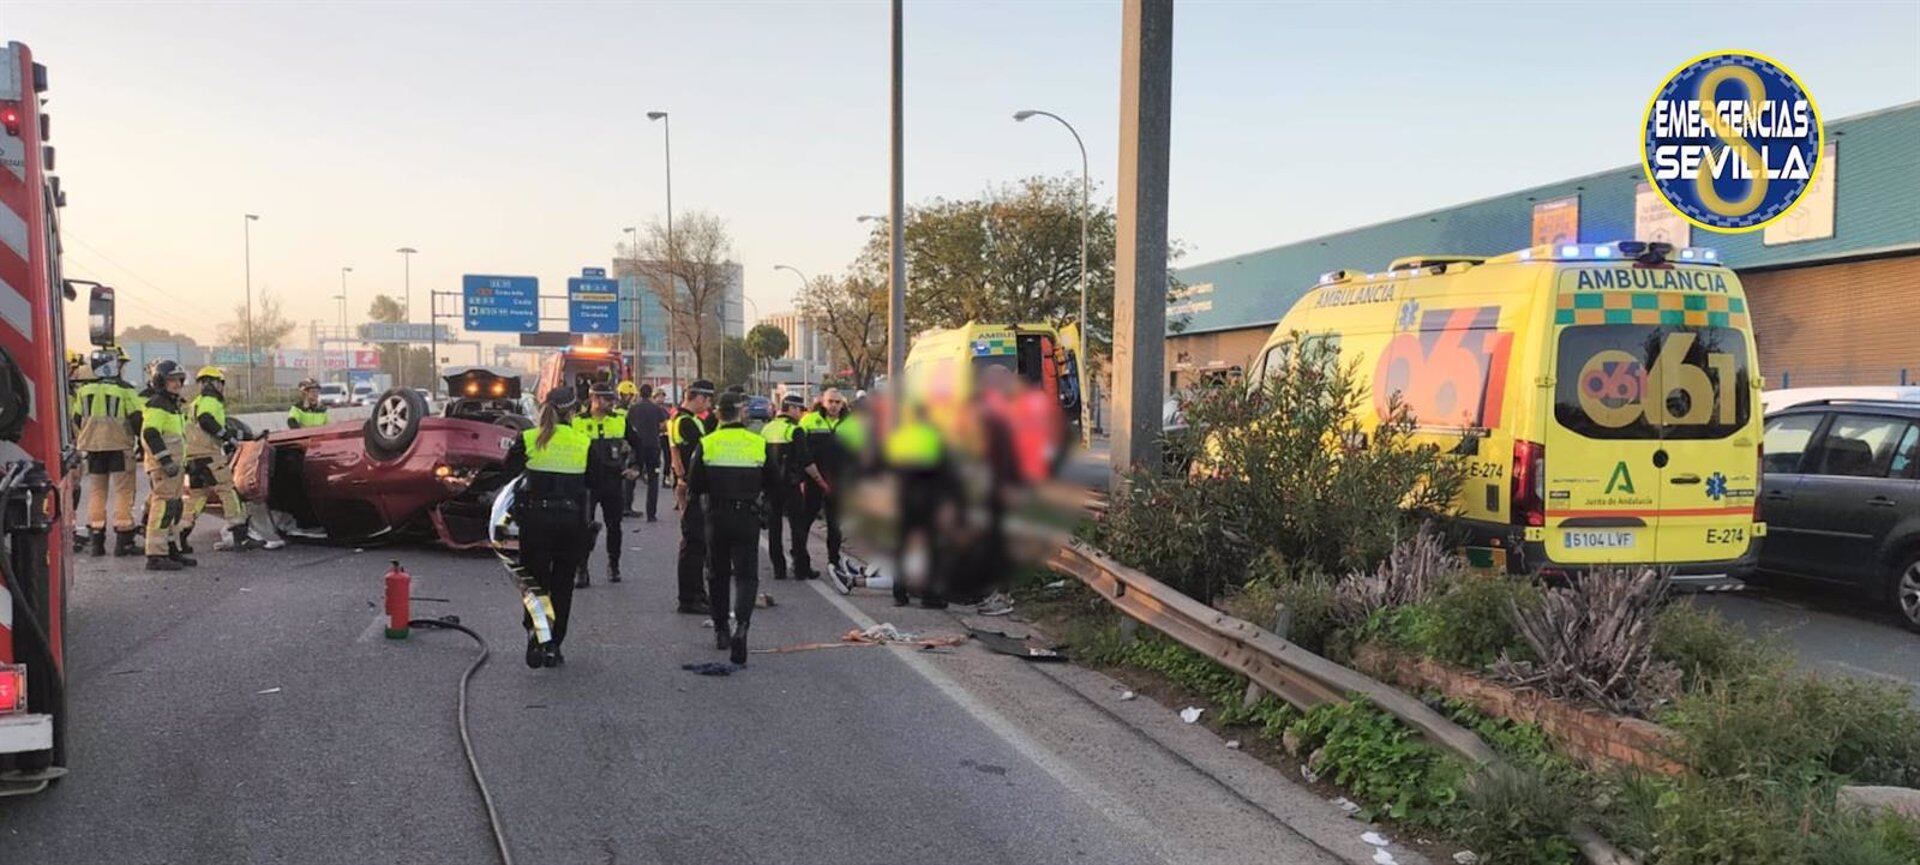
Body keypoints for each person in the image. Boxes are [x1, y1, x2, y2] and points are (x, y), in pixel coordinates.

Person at [501, 386, 593, 668]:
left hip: (536, 521)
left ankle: (536, 634)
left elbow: (507, 476)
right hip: (571, 522)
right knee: (563, 584)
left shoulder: (528, 438)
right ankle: (553, 645)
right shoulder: (583, 440)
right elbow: (596, 481)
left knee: (535, 582)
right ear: (574, 411)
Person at [685, 391, 778, 664]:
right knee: (747, 576)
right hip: (747, 516)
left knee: (717, 574)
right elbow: (774, 481)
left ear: (718, 414)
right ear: (741, 413)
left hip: (716, 515)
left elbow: (695, 484)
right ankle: (742, 627)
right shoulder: (757, 442)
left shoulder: (708, 442)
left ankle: (721, 631)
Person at [887, 402, 961, 608]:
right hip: (929, 500)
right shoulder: (936, 438)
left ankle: (899, 593)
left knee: (903, 546)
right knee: (931, 548)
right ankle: (930, 596)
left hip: (904, 499)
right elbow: (947, 472)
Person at [72, 349, 141, 557]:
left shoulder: (84, 391)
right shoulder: (126, 390)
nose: (122, 368)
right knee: (123, 492)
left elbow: (76, 419)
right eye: (120, 364)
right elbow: (137, 419)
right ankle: (123, 539)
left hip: (93, 448)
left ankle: (97, 540)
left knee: (97, 492)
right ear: (114, 366)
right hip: (119, 446)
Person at [181, 367, 258, 553]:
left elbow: (209, 426)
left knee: (197, 497)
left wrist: (245, 436)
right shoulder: (211, 401)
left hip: (192, 457)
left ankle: (180, 534)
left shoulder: (195, 403)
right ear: (217, 383)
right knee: (229, 491)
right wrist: (227, 437)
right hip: (210, 456)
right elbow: (207, 420)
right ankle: (241, 536)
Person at [572, 382, 636, 587]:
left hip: (613, 481)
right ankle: (582, 570)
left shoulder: (620, 420)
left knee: (614, 526)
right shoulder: (577, 422)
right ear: (595, 399)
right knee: (584, 527)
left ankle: (613, 565)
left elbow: (639, 444)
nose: (612, 403)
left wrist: (635, 466)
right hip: (586, 483)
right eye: (608, 400)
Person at [760, 394, 828, 581]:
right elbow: (807, 462)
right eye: (800, 410)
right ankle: (801, 568)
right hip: (790, 486)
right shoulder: (794, 431)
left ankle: (779, 569)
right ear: (791, 409)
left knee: (775, 528)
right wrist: (822, 482)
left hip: (771, 487)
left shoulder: (767, 429)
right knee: (797, 528)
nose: (801, 414)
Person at [140, 360, 195, 571]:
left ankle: (171, 549)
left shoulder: (173, 405)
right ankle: (155, 554)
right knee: (162, 507)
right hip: (164, 467)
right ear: (161, 382)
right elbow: (150, 433)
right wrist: (165, 461)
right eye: (171, 380)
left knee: (174, 508)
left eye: (179, 380)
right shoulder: (157, 404)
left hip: (175, 466)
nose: (177, 384)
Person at [668, 380, 716, 614]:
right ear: (698, 398)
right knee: (693, 544)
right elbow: (697, 453)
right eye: (708, 400)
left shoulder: (689, 419)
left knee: (698, 545)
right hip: (691, 486)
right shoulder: (684, 421)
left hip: (690, 485)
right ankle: (689, 598)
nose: (709, 405)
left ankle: (697, 593)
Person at [797, 388, 850, 578]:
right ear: (823, 402)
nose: (834, 406)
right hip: (814, 480)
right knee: (805, 521)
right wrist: (803, 479)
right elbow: (800, 451)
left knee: (835, 525)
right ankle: (800, 560)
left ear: (843, 403)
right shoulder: (809, 421)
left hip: (839, 482)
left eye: (837, 402)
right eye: (830, 402)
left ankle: (834, 562)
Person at [625, 382, 668, 521]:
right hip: (653, 446)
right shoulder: (656, 409)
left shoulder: (633, 408)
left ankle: (627, 507)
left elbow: (627, 425)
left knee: (632, 475)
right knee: (653, 479)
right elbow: (663, 426)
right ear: (650, 394)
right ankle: (651, 513)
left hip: (636, 446)